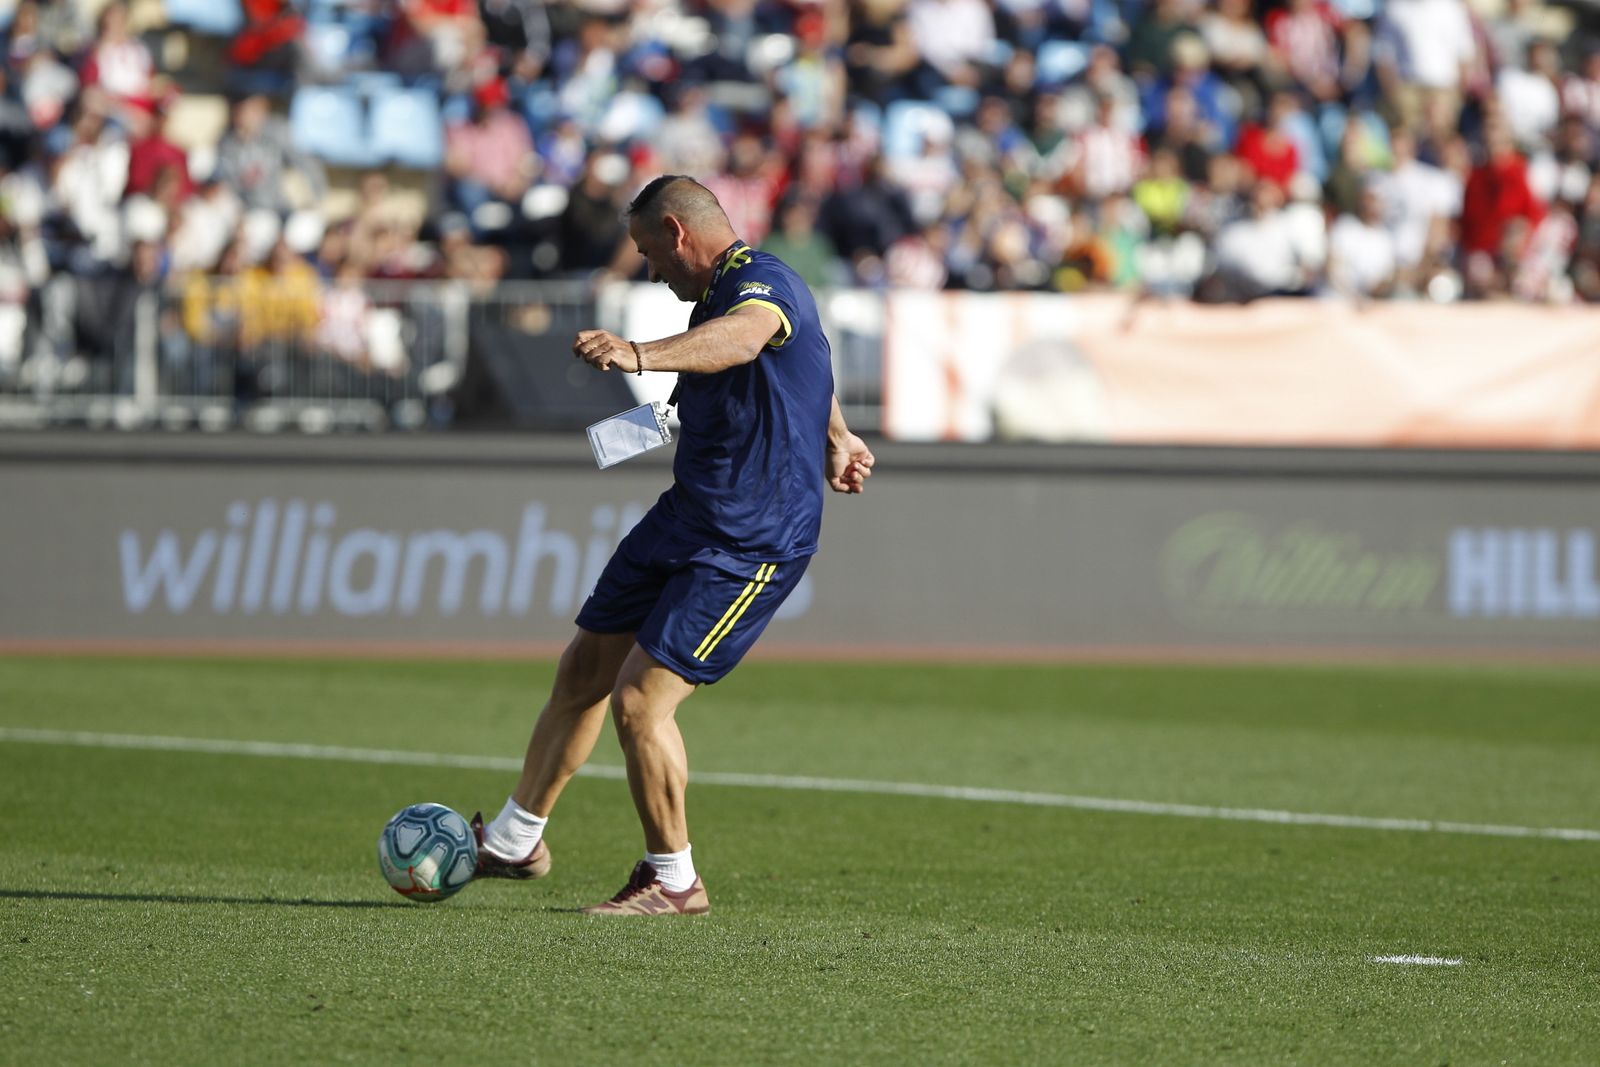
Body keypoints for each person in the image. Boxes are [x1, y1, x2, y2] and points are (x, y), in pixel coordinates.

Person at [471, 175, 875, 916]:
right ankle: (513, 836)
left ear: (677, 232)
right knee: (584, 668)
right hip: (690, 512)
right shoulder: (736, 294)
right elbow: (798, 355)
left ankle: (674, 879)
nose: (651, 270)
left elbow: (748, 338)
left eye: (649, 253)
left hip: (751, 538)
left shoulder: (758, 284)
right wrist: (837, 433)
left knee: (639, 702)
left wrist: (636, 352)